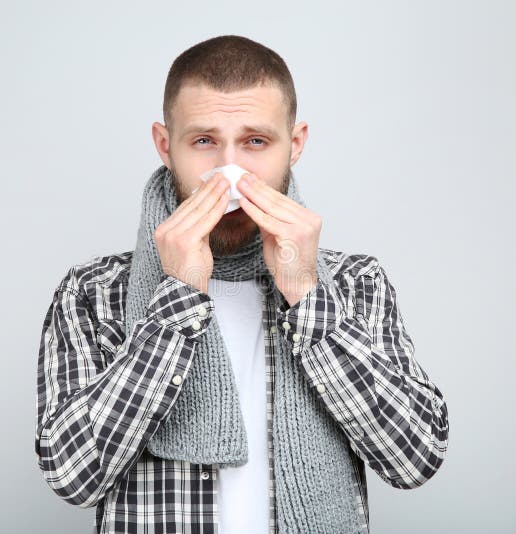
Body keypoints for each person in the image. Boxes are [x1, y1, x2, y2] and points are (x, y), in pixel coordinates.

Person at [34, 34, 449, 534]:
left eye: (256, 141)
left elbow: (414, 459)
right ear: (166, 146)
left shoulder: (356, 285)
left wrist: (306, 293)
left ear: (294, 145)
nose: (228, 172)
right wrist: (176, 301)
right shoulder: (93, 293)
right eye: (204, 141)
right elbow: (72, 475)